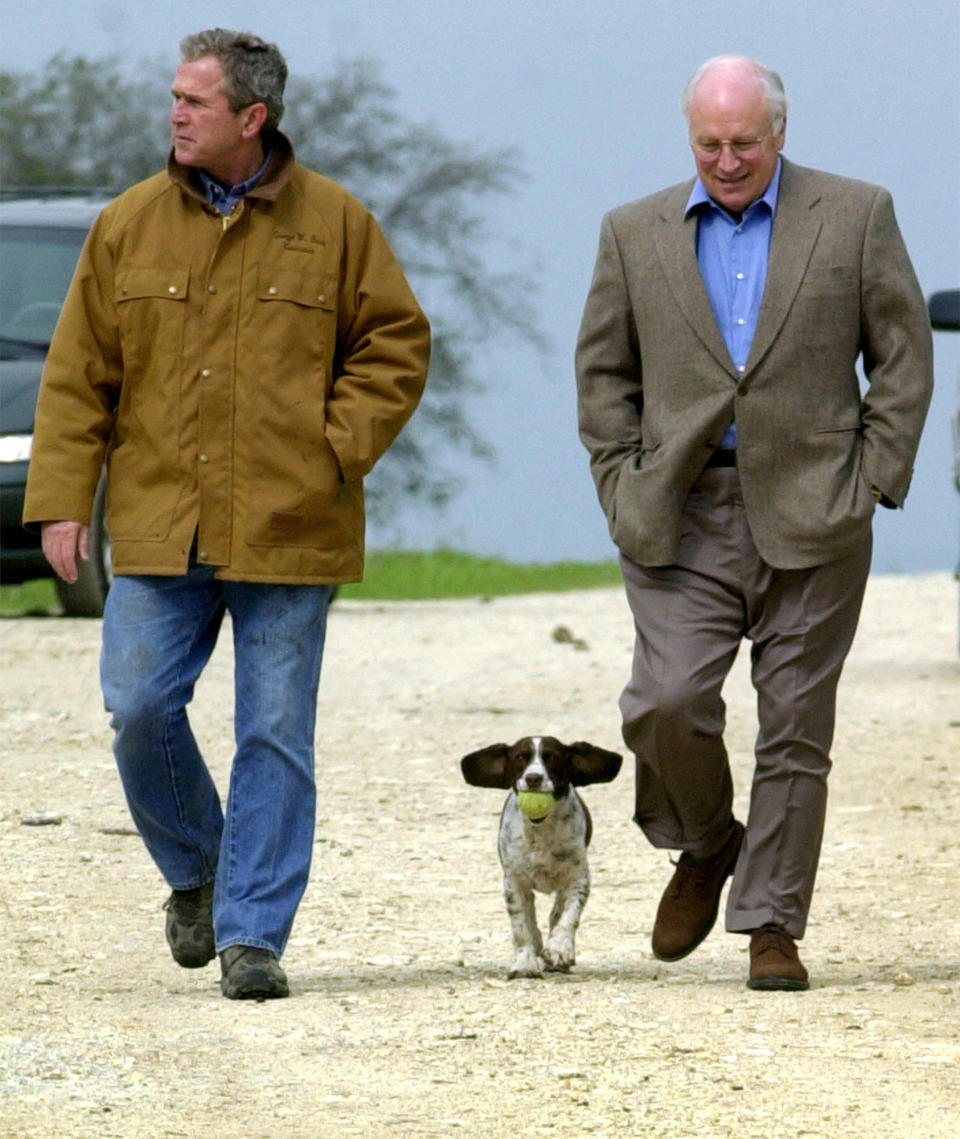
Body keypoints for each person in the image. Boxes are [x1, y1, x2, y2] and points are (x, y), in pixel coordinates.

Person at [23, 29, 430, 1000]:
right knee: (138, 706)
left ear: (252, 118)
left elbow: (396, 346)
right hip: (162, 522)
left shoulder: (337, 223)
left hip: (294, 528)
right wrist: (60, 502)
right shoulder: (126, 224)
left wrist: (332, 449)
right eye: (174, 97)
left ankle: (254, 935)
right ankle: (201, 873)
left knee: (274, 735)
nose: (175, 115)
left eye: (195, 102)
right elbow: (80, 375)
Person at [575, 55, 932, 990]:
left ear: (779, 132)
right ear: (688, 137)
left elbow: (902, 353)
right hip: (680, 510)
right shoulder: (631, 231)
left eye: (743, 142)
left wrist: (876, 478)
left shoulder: (856, 214)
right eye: (708, 144)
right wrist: (619, 480)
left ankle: (772, 923)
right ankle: (706, 840)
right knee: (665, 701)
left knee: (795, 730)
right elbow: (604, 374)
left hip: (817, 508)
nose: (726, 160)